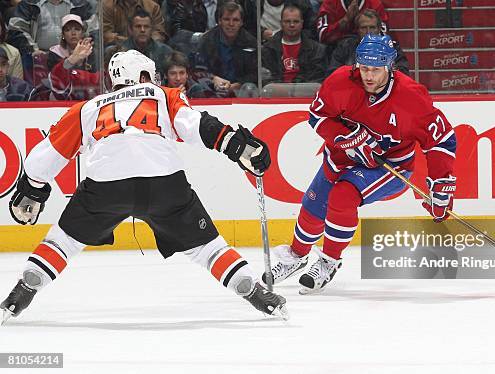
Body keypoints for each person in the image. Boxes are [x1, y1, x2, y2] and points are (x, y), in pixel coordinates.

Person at [0, 49, 288, 324]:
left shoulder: (87, 108)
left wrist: (33, 187)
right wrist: (236, 145)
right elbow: (197, 126)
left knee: (64, 241)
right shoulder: (163, 95)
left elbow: (46, 155)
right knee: (207, 248)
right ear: (140, 76)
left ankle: (24, 288)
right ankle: (251, 288)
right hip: (164, 183)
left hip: (106, 187)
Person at [265, 34, 457, 294]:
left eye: (376, 70)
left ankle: (328, 262)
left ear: (390, 67)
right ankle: (297, 256)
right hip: (341, 157)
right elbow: (317, 116)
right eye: (364, 68)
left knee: (343, 196)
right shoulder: (340, 81)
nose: (368, 75)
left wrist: (441, 183)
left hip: (389, 165)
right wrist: (343, 137)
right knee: (313, 206)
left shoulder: (411, 97)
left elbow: (441, 139)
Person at [196, 1, 258, 96]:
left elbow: (256, 73)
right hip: (213, 87)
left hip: (240, 90)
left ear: (241, 22)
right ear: (219, 21)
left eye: (236, 20)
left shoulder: (251, 42)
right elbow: (198, 70)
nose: (231, 24)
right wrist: (213, 78)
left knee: (250, 87)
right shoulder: (207, 40)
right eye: (226, 19)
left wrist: (236, 85)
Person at [326, 9, 409, 76]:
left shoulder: (392, 47)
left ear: (379, 28)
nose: (368, 32)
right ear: (357, 30)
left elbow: (403, 72)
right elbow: (332, 73)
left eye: (372, 27)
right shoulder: (345, 47)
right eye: (364, 28)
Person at [262, 3, 326, 84]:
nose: (292, 25)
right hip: (277, 93)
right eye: (287, 21)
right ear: (281, 23)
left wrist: (294, 88)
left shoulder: (317, 49)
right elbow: (267, 78)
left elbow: (316, 77)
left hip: (304, 93)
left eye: (296, 21)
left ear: (302, 23)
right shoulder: (267, 49)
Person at [47, 14, 99, 100]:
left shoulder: (91, 52)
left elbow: (96, 79)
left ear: (82, 33)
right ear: (63, 34)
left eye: (77, 29)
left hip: (88, 97)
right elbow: (56, 81)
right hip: (61, 97)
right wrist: (73, 59)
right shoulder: (54, 52)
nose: (73, 33)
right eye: (68, 30)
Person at [118, 8, 173, 73]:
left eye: (146, 26)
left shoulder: (165, 52)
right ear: (130, 30)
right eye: (138, 26)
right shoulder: (120, 53)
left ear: (152, 29)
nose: (142, 30)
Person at [316, 0, 388, 45]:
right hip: (337, 50)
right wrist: (346, 19)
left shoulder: (374, 3)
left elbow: (383, 36)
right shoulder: (330, 3)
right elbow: (322, 37)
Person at [102, 0, 167, 45]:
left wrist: (145, 43)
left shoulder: (153, 7)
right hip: (119, 48)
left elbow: (158, 32)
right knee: (109, 49)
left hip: (147, 48)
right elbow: (106, 34)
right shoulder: (107, 5)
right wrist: (130, 44)